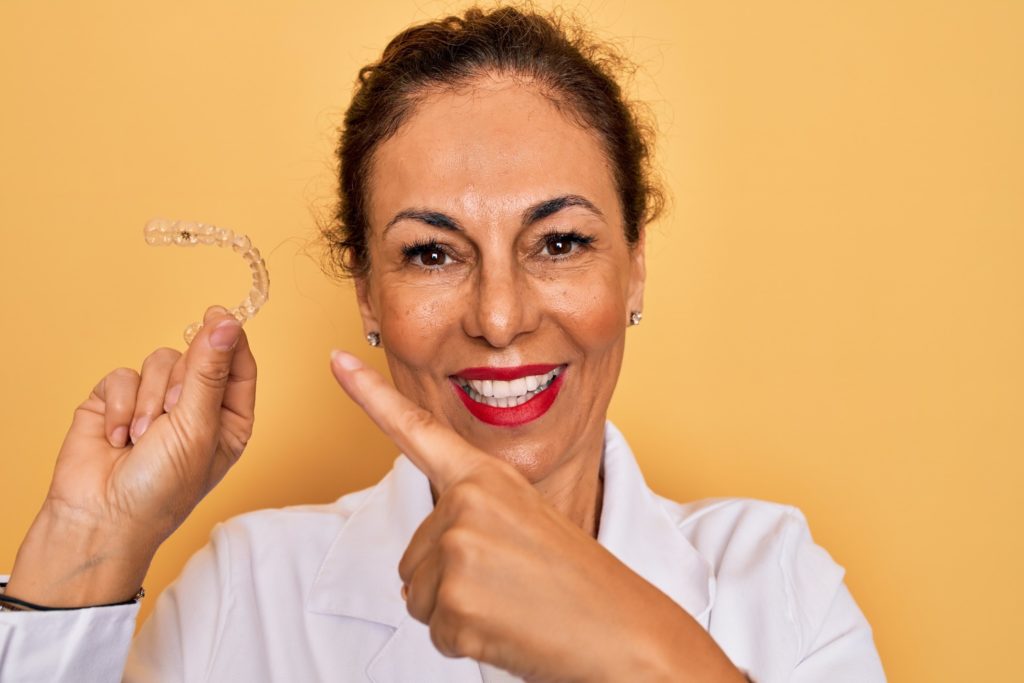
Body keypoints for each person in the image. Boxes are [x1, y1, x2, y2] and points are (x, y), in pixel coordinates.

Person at [0, 6, 886, 682]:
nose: (499, 318)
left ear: (635, 270)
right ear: (368, 293)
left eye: (561, 242)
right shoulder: (248, 591)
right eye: (431, 253)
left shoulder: (778, 582)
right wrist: (87, 548)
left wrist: (633, 645)